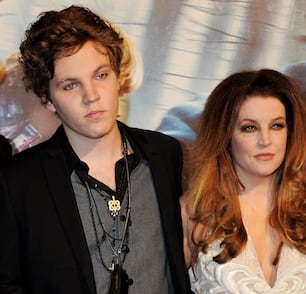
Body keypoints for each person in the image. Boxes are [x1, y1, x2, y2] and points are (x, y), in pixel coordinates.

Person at [0, 5, 190, 294]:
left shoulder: (165, 154)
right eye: (70, 85)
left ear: (118, 78)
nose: (91, 96)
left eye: (101, 76)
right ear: (48, 99)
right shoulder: (17, 182)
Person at [180, 69, 306, 293]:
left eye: (277, 126)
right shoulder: (194, 211)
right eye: (249, 128)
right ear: (224, 135)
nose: (265, 140)